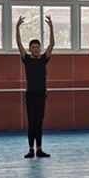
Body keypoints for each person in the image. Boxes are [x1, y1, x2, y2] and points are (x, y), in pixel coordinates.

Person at [16, 15, 55, 158]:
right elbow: (19, 44)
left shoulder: (44, 59)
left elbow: (52, 44)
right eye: (33, 47)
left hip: (41, 95)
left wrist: (51, 27)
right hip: (31, 95)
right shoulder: (27, 60)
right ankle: (31, 149)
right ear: (30, 49)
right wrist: (17, 27)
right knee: (32, 122)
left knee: (39, 123)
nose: (36, 49)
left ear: (40, 48)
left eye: (38, 47)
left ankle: (39, 149)